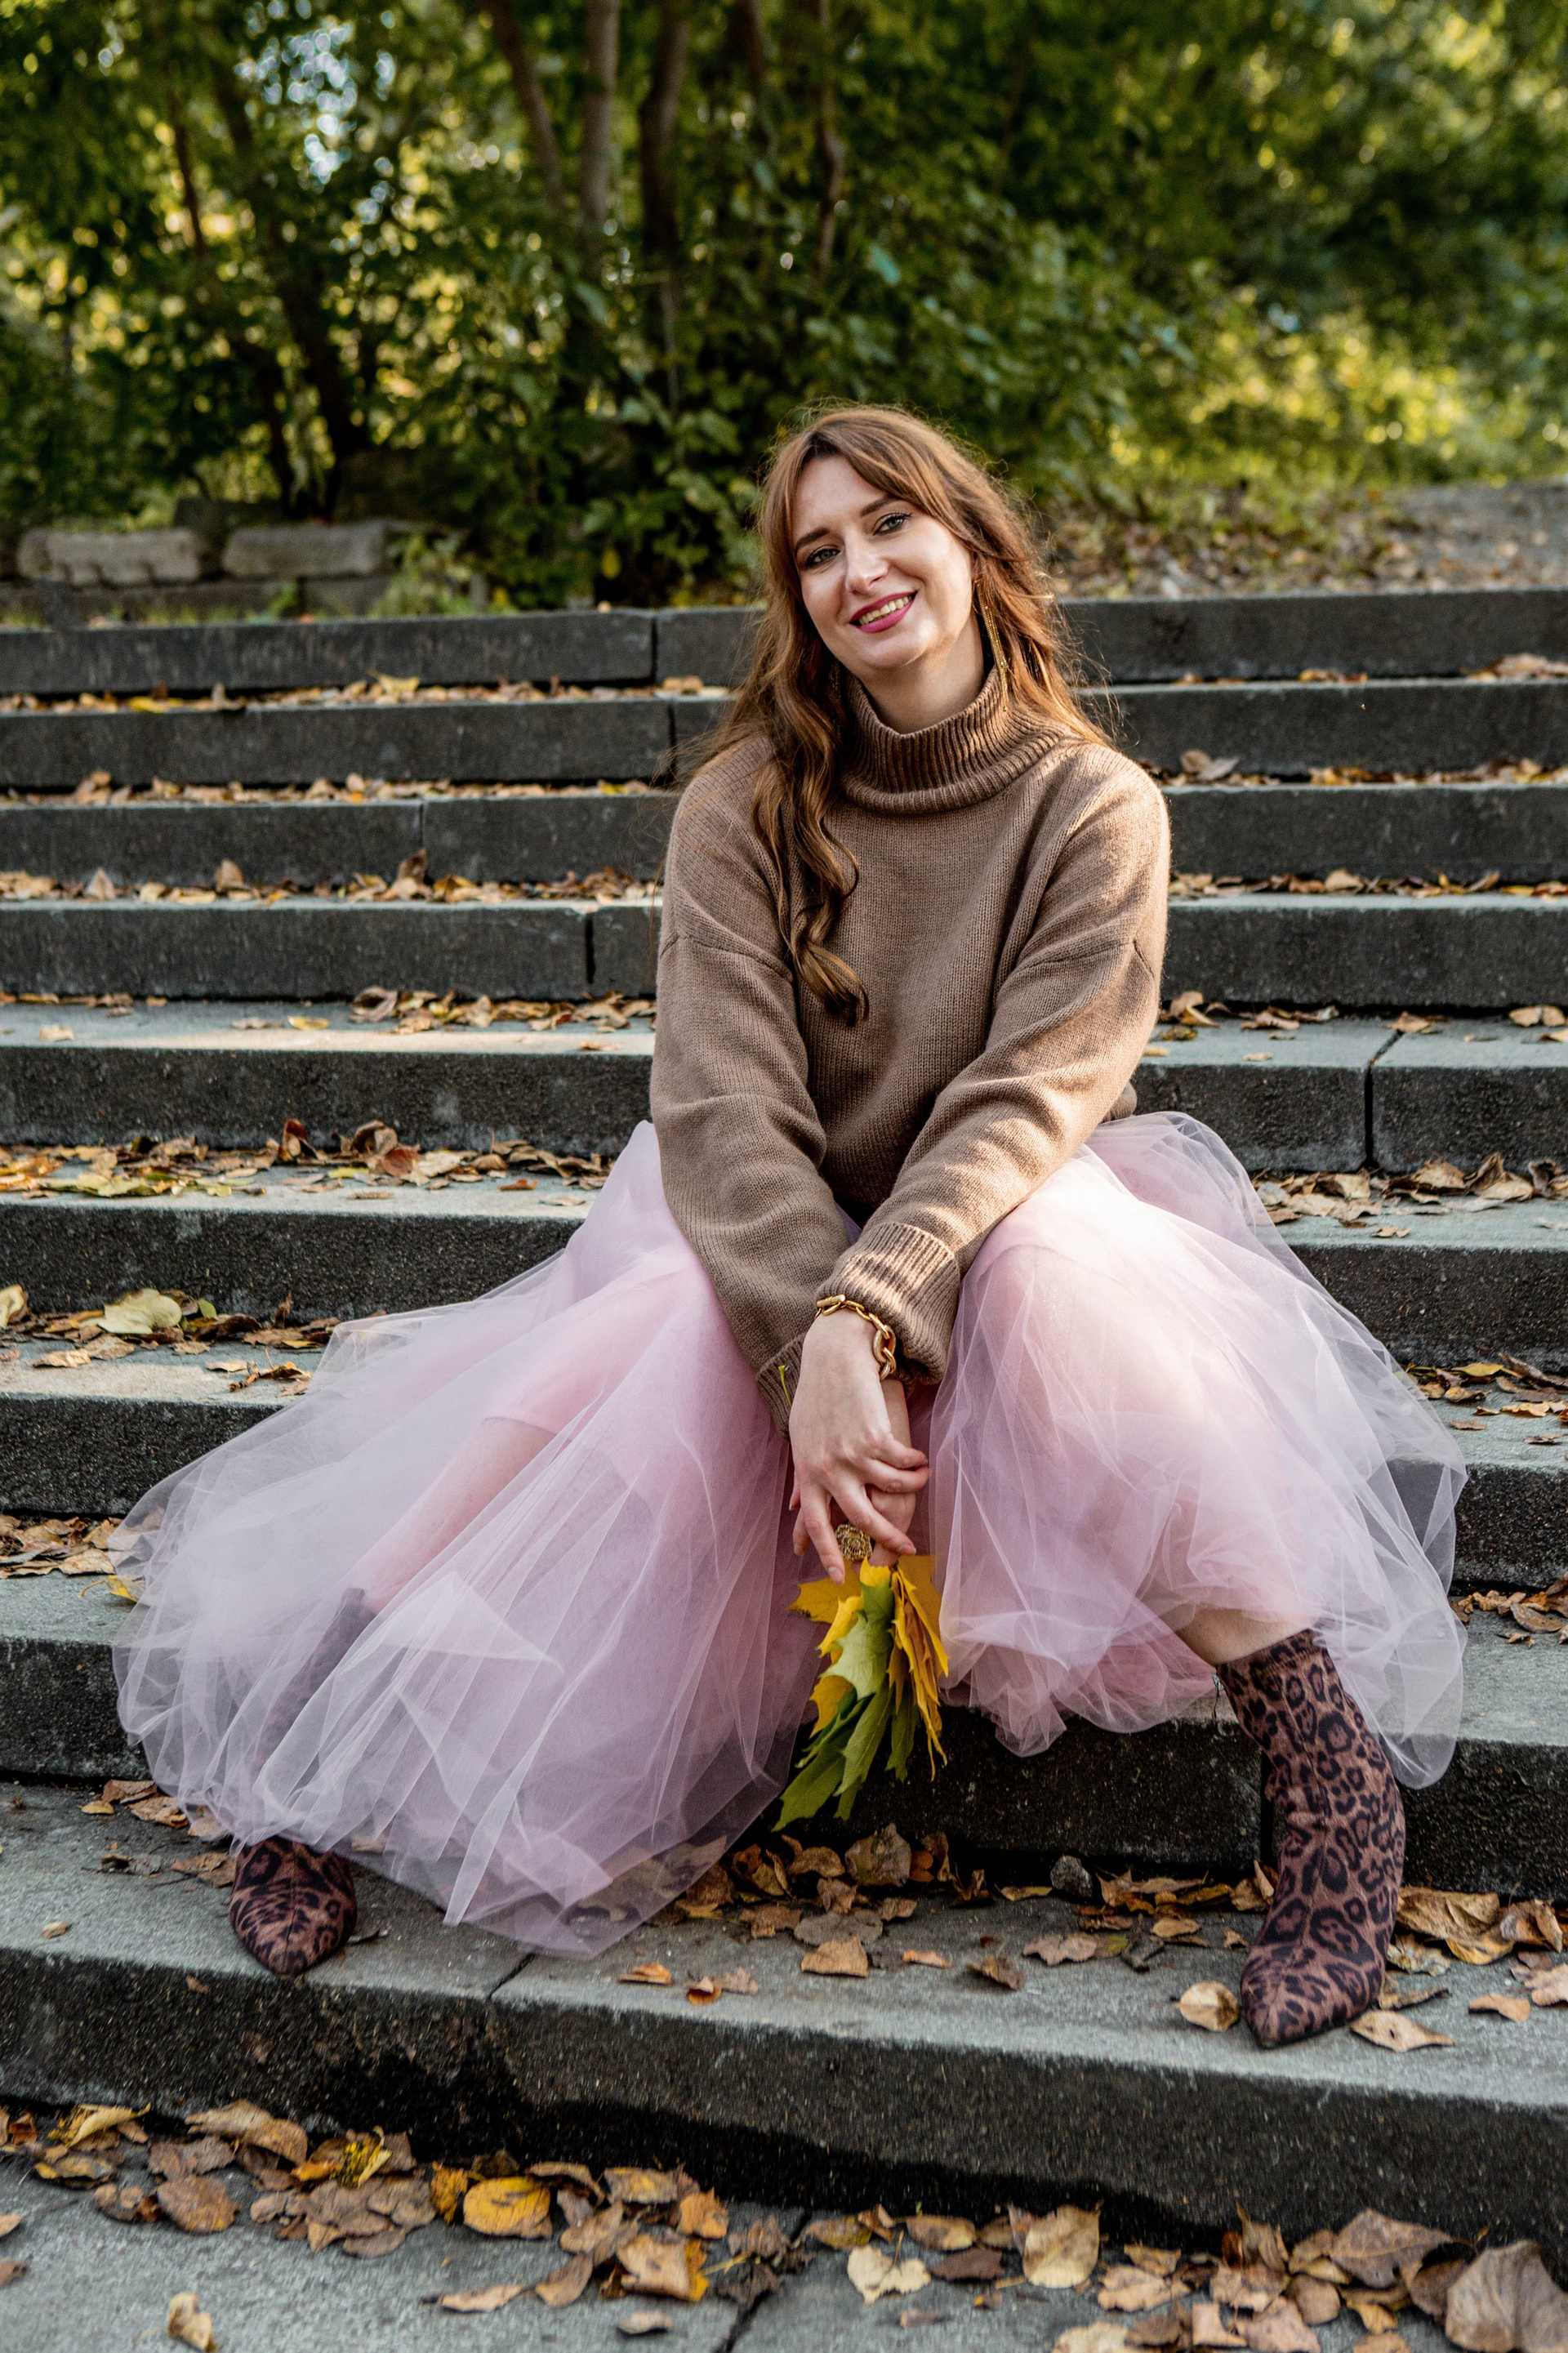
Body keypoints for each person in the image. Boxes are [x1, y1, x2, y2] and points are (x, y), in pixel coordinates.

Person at [113, 405, 1464, 2048]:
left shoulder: (1095, 807)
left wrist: (867, 1316)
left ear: (971, 542)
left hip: (994, 1227)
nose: (858, 570)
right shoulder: (744, 806)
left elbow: (1032, 1097)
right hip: (763, 1243)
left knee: (1065, 1262)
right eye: (817, 550)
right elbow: (723, 1112)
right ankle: (317, 1738)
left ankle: (1329, 1783)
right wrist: (808, 1332)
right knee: (651, 1321)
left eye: (890, 525)